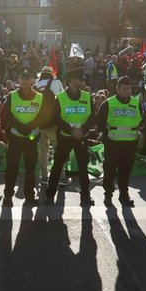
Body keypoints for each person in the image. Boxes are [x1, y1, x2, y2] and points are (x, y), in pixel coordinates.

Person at [46, 66, 95, 206]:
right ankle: (50, 194)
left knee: (83, 167)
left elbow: (92, 117)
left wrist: (83, 130)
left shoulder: (87, 96)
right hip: (65, 137)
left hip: (81, 137)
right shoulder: (60, 97)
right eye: (80, 78)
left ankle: (85, 197)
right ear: (72, 80)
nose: (82, 81)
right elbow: (56, 118)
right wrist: (71, 130)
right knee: (57, 165)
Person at [1, 66, 43, 206]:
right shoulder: (11, 96)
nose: (25, 81)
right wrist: (19, 128)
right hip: (15, 138)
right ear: (19, 79)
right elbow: (6, 116)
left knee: (30, 170)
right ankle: (8, 196)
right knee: (12, 168)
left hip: (31, 139)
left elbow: (43, 117)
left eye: (28, 78)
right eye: (22, 78)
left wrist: (29, 127)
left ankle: (30, 197)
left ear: (32, 80)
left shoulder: (40, 97)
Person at [96, 75, 140, 208]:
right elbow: (100, 121)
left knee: (125, 172)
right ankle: (108, 196)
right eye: (124, 88)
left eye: (129, 88)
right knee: (109, 171)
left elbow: (142, 120)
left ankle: (124, 196)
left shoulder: (136, 103)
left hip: (130, 144)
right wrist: (107, 134)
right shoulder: (109, 103)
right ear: (117, 89)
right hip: (113, 143)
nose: (127, 91)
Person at [35, 65, 63, 187]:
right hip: (53, 123)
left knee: (43, 150)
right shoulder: (56, 83)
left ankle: (44, 176)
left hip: (39, 124)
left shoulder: (35, 85)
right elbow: (63, 99)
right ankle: (61, 176)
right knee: (58, 150)